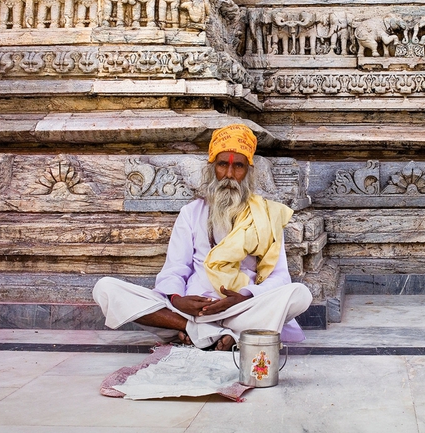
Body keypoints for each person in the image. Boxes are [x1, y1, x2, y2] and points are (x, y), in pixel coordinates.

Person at [93, 124, 313, 350]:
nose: (229, 175)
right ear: (212, 169)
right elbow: (175, 269)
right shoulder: (191, 213)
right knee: (105, 288)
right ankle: (216, 333)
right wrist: (178, 299)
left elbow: (280, 278)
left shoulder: (268, 214)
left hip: (241, 308)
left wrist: (245, 296)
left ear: (248, 171)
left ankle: (202, 333)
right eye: (222, 165)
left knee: (300, 295)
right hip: (190, 310)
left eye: (238, 166)